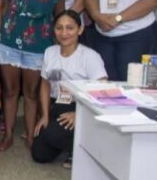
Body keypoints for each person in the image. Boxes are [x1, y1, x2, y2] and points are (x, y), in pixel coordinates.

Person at [0, 0, 69, 152]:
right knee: (9, 91)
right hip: (9, 41)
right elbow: (0, 6)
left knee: (31, 92)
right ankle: (7, 135)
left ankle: (29, 135)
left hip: (39, 44)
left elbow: (60, 16)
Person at [32, 10, 107, 168]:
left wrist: (79, 114)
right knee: (39, 154)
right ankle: (68, 142)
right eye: (59, 28)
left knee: (53, 135)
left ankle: (80, 149)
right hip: (57, 104)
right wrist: (44, 115)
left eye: (70, 28)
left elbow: (102, 91)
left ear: (80, 30)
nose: (64, 33)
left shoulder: (90, 56)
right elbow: (45, 84)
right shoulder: (50, 52)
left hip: (80, 106)